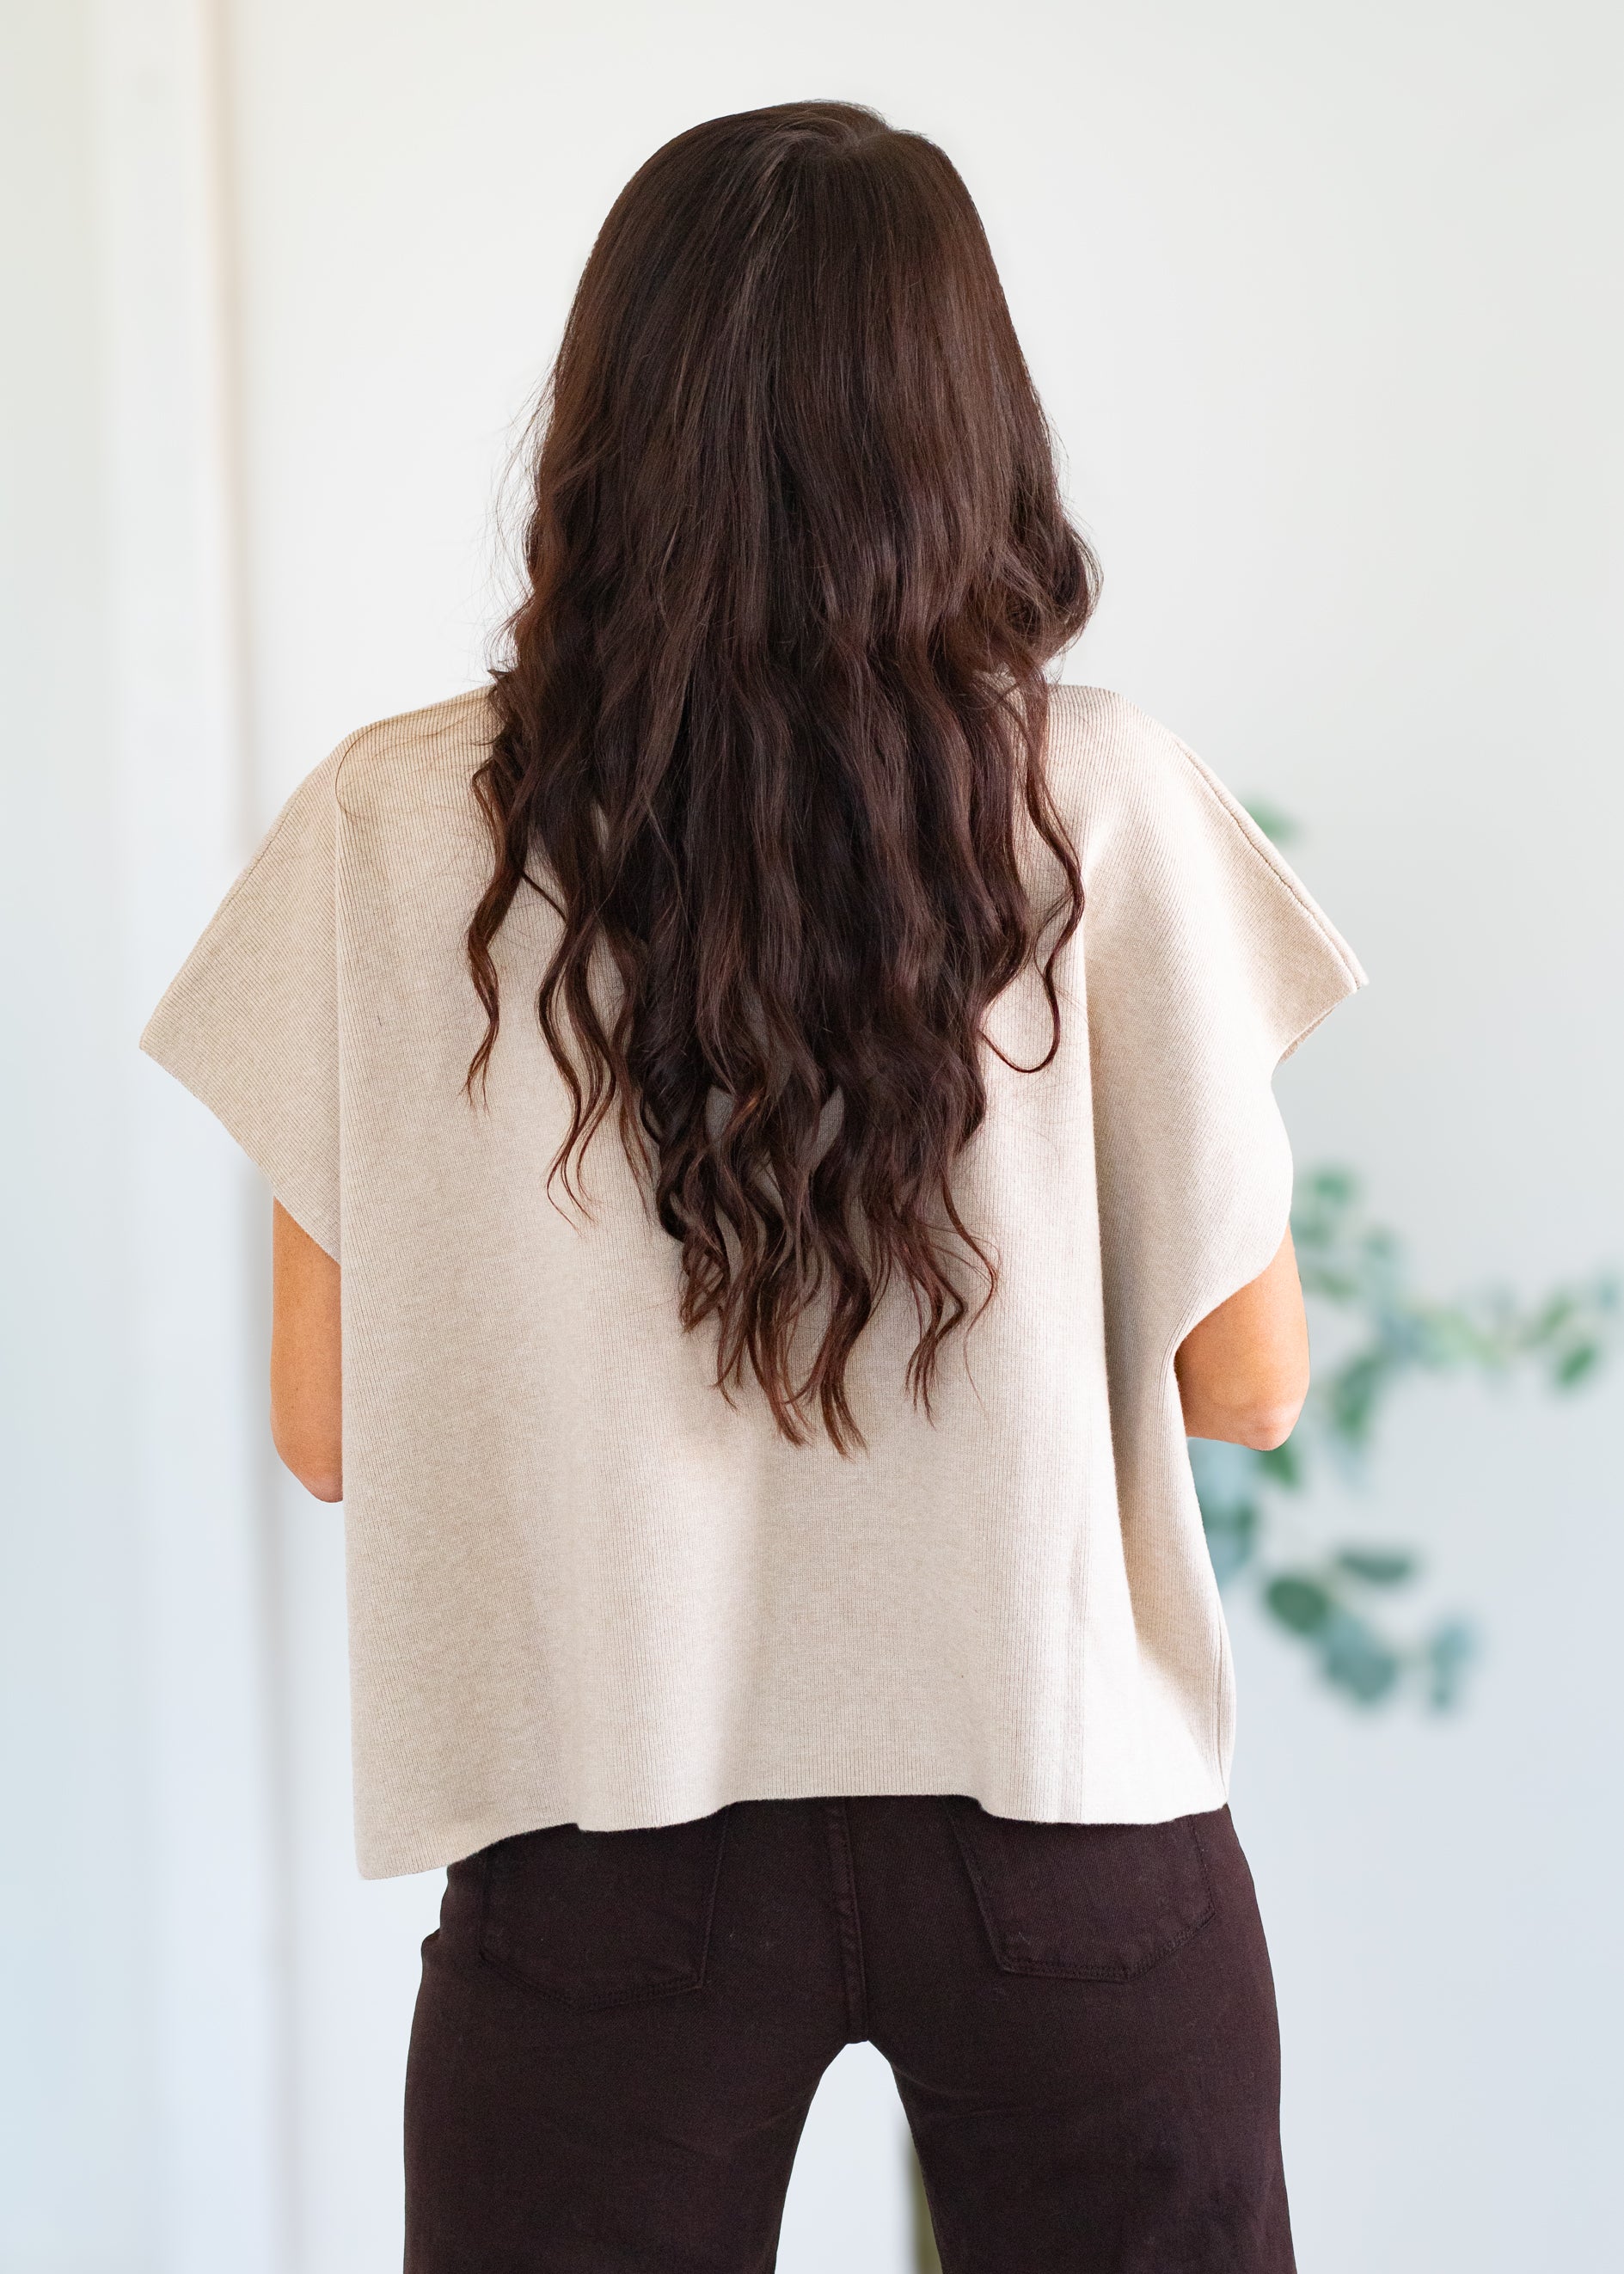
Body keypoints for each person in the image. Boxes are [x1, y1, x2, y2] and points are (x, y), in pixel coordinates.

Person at [142, 101, 1364, 2274]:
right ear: (968, 424)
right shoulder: (1115, 807)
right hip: (1063, 1807)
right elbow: (1253, 1383)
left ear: (608, 420)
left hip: (607, 1829)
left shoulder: (400, 827)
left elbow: (332, 1432)